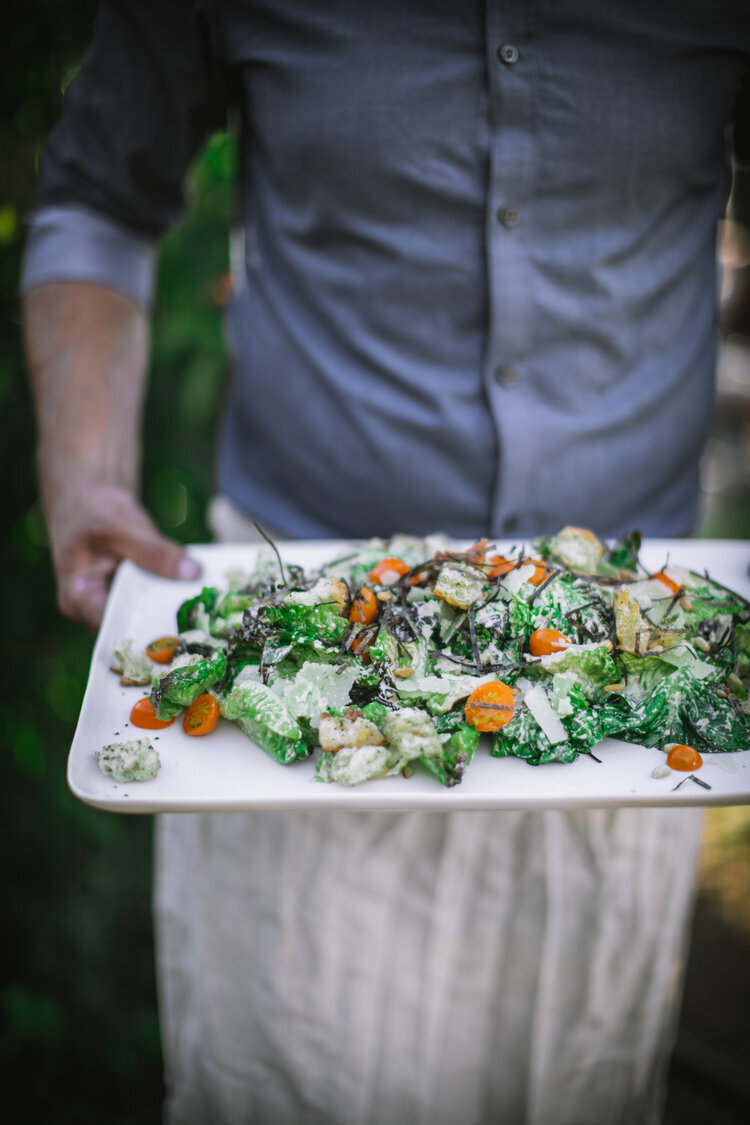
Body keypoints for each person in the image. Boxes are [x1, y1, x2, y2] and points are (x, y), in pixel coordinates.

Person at [21, 3, 750, 1122]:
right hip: (290, 670)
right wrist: (85, 475)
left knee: (574, 1082)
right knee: (283, 1081)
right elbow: (98, 198)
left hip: (624, 684)